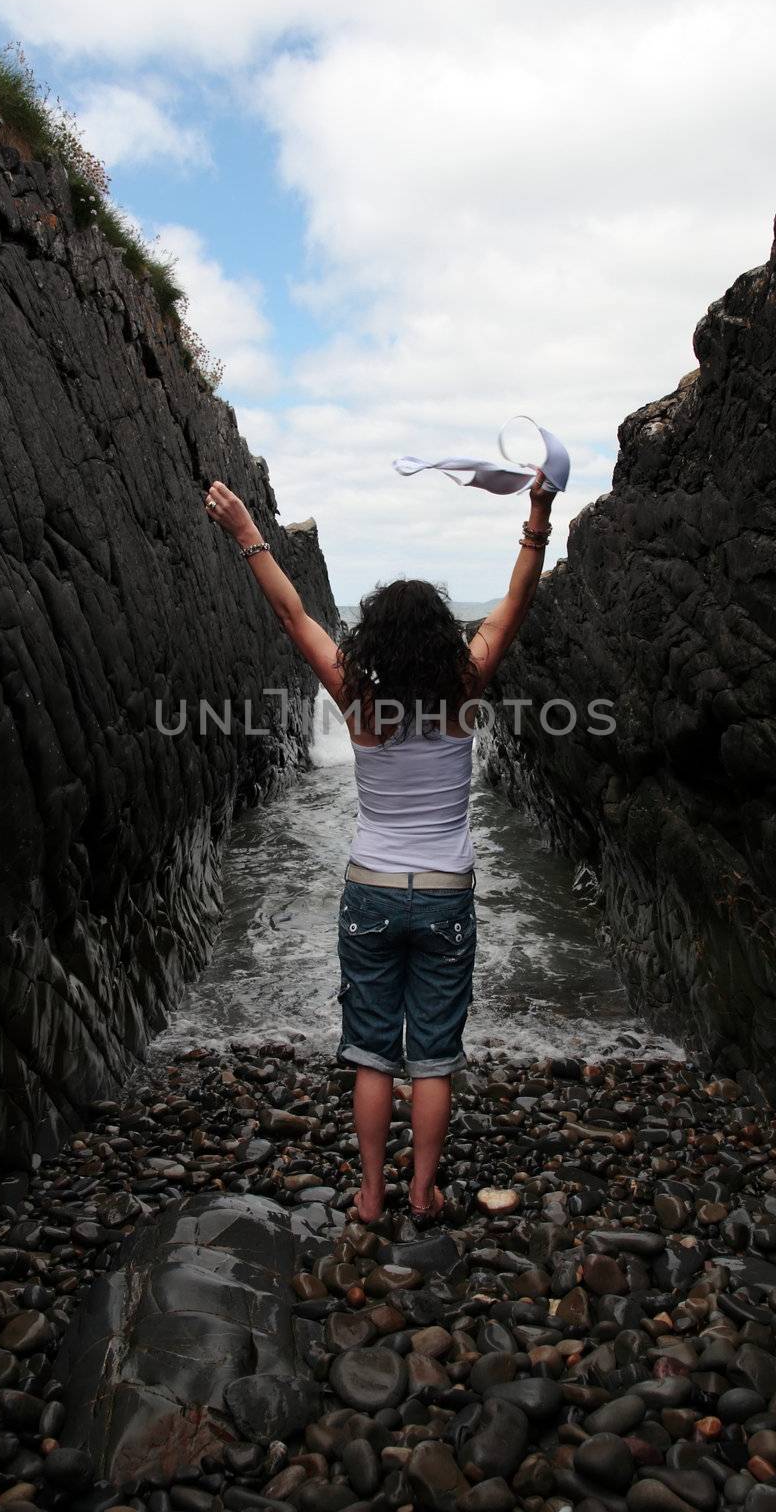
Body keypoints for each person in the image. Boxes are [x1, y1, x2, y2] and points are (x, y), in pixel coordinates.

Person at [204, 468, 557, 1226]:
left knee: (370, 1050)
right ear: (440, 637)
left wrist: (245, 535)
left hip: (369, 888)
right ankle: (423, 1192)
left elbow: (292, 614)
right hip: (444, 892)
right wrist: (537, 514)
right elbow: (516, 600)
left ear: (373, 638)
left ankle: (369, 1196)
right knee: (430, 1055)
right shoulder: (464, 685)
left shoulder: (356, 698)